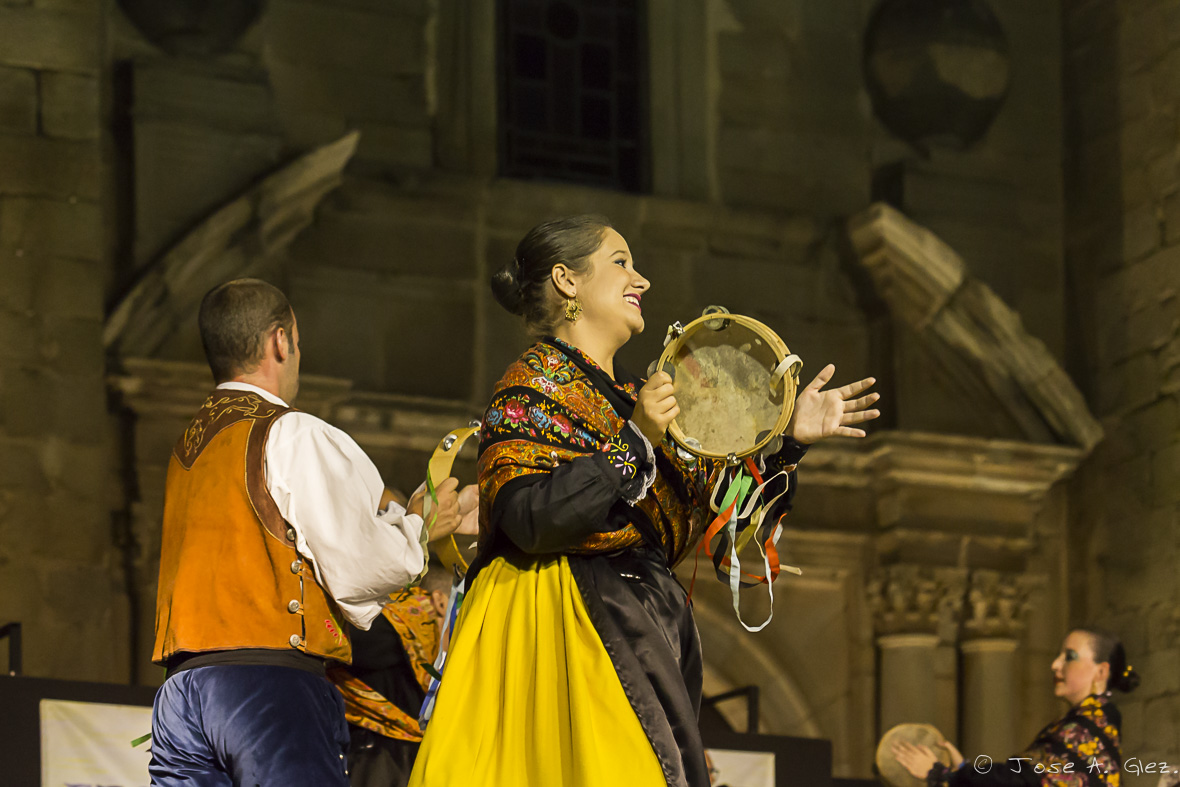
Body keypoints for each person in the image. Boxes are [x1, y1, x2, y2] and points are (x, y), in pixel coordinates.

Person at [409, 215, 880, 787]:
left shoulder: (642, 396)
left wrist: (789, 443)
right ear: (566, 280)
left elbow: (717, 518)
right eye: (621, 262)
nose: (643, 280)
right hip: (561, 621)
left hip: (645, 621)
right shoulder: (533, 384)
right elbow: (528, 520)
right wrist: (635, 440)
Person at [148, 279, 475, 787]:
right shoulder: (290, 432)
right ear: (280, 341)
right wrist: (420, 526)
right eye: (298, 342)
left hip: (180, 696)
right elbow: (362, 564)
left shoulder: (189, 448)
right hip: (267, 688)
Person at [892, 627, 1139, 786]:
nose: (1055, 664)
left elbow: (1018, 782)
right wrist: (964, 770)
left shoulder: (1086, 728)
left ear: (1101, 671)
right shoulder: (1089, 723)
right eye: (1058, 655)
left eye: (1069, 657)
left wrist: (941, 774)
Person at [330, 555, 456, 787]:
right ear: (440, 602)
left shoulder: (425, 654)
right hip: (372, 765)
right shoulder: (397, 628)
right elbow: (331, 638)